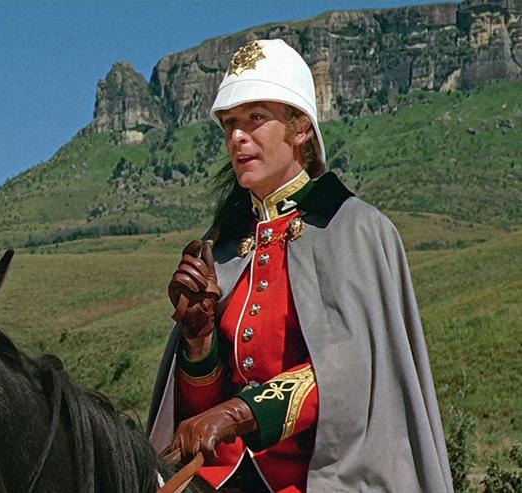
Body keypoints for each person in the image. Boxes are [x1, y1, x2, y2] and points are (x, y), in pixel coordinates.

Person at [146, 39, 453, 492]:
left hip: (324, 477)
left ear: (301, 128)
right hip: (224, 476)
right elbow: (197, 414)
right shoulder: (225, 246)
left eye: (255, 118)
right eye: (230, 124)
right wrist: (198, 338)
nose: (237, 137)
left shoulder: (355, 228)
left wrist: (241, 413)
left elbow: (352, 371)